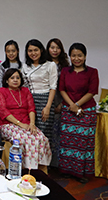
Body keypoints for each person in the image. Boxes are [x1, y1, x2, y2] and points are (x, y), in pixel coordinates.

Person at [0, 68, 52, 172]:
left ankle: (41, 170)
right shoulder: (1, 91)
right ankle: (26, 170)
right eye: (12, 78)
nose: (15, 80)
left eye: (18, 77)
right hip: (8, 124)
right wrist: (20, 124)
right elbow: (3, 111)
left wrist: (32, 124)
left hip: (27, 124)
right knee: (24, 139)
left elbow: (31, 108)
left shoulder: (25, 91)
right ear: (6, 80)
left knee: (41, 138)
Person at [59, 43, 99, 183]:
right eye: (74, 55)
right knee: (67, 142)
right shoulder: (65, 71)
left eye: (79, 55)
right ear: (70, 56)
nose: (76, 58)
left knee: (83, 143)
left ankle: (82, 173)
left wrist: (77, 105)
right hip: (68, 110)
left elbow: (92, 91)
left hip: (86, 111)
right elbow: (62, 89)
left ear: (85, 56)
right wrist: (72, 105)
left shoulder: (92, 72)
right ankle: (67, 170)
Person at [21, 39, 57, 147]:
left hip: (45, 99)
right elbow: (24, 87)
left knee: (44, 134)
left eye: (35, 50)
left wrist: (48, 107)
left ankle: (44, 163)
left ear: (41, 50)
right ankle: (31, 161)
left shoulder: (50, 65)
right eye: (30, 51)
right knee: (30, 133)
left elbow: (53, 87)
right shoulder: (24, 66)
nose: (33, 53)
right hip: (30, 100)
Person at [46, 38, 69, 167]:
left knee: (58, 133)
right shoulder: (44, 64)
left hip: (61, 100)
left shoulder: (65, 66)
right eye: (52, 47)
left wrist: (62, 103)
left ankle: (57, 164)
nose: (55, 50)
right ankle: (47, 164)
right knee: (47, 133)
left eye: (57, 48)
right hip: (47, 101)